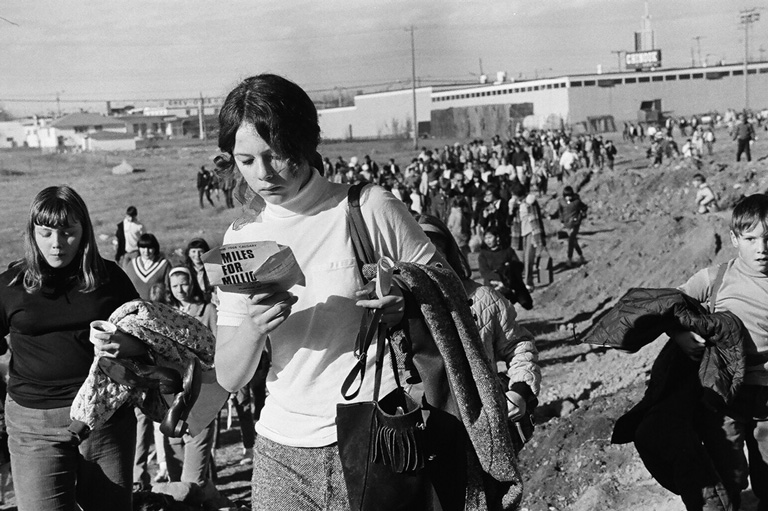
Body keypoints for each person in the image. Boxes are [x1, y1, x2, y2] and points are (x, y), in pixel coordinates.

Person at [212, 74, 439, 510]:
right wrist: (254, 328)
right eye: (246, 160)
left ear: (307, 141)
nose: (263, 174)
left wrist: (406, 305)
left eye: (276, 155)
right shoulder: (242, 238)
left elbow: (455, 301)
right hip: (282, 451)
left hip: (378, 433)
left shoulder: (368, 208)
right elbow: (229, 375)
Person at [0, 185, 144, 510]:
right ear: (32, 232)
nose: (57, 243)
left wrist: (124, 343)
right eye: (46, 231)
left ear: (84, 231)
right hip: (34, 424)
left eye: (68, 232)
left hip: (105, 417)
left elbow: (147, 337)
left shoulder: (111, 278)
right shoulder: (9, 285)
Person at [654, 194, 768, 510]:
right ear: (734, 239)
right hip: (723, 393)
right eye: (751, 239)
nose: (762, 249)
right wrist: (679, 333)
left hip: (767, 397)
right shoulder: (715, 277)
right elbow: (671, 305)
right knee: (727, 469)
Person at [415, 214, 540, 434]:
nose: (428, 256)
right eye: (419, 247)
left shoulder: (484, 299)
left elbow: (519, 346)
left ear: (448, 252)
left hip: (484, 422)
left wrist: (519, 390)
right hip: (426, 429)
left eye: (435, 247)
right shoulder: (399, 308)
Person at [121, 232, 171, 489]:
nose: (147, 252)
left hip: (160, 330)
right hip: (135, 333)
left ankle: (167, 467)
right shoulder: (129, 265)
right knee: (141, 418)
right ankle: (138, 474)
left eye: (150, 248)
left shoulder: (164, 266)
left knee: (164, 413)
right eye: (143, 248)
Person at [162, 267, 218, 491]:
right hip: (173, 392)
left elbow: (218, 347)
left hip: (202, 390)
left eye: (183, 284)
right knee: (175, 474)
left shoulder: (207, 310)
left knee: (192, 477)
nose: (180, 290)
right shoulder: (167, 312)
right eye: (174, 286)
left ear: (192, 283)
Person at [556, 186, 588, 267]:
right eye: (566, 196)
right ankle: (581, 257)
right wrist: (562, 221)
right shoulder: (561, 202)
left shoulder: (577, 202)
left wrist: (581, 215)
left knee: (571, 241)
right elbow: (560, 212)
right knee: (574, 242)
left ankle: (569, 259)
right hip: (567, 225)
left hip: (575, 224)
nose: (568, 198)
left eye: (570, 196)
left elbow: (584, 207)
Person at [184, 238, 214, 304]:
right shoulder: (185, 270)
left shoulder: (212, 268)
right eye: (193, 251)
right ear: (188, 253)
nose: (197, 255)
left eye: (200, 251)